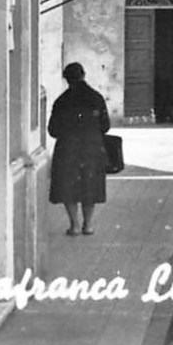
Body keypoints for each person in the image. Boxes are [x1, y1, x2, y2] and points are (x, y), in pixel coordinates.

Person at [48, 62, 110, 237]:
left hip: (68, 148)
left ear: (66, 79)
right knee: (90, 185)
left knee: (69, 185)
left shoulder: (61, 101)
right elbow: (105, 126)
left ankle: (74, 225)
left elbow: (53, 130)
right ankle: (88, 225)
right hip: (92, 147)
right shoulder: (96, 98)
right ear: (83, 75)